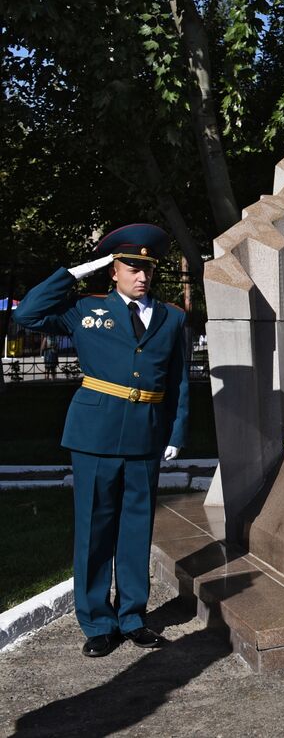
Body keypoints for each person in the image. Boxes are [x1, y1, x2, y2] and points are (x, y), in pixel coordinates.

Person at [14, 224, 188, 658]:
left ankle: (132, 616)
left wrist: (176, 433)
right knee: (94, 528)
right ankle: (96, 621)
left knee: (135, 529)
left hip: (146, 433)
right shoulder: (84, 309)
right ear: (113, 270)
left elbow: (180, 381)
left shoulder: (172, 317)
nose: (141, 275)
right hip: (94, 434)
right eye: (131, 266)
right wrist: (71, 273)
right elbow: (27, 314)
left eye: (147, 267)